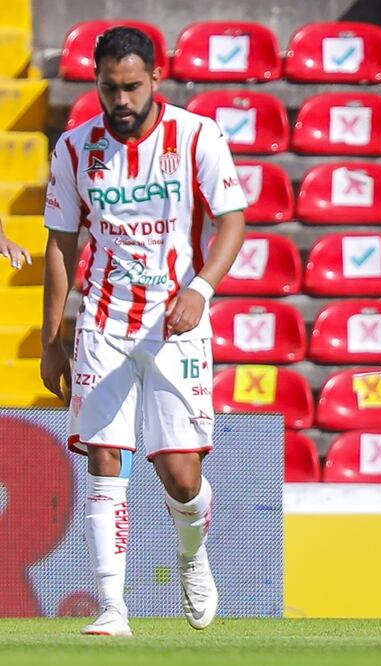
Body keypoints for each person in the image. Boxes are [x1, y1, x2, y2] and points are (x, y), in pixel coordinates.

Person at [40, 26, 247, 636]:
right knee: (106, 458)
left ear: (156, 78)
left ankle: (193, 553)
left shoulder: (197, 136)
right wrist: (53, 337)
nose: (121, 101)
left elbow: (232, 221)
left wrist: (201, 288)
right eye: (109, 89)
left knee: (182, 477)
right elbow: (59, 242)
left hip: (174, 324)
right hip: (103, 322)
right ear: (97, 84)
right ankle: (113, 608)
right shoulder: (76, 148)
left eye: (132, 87)